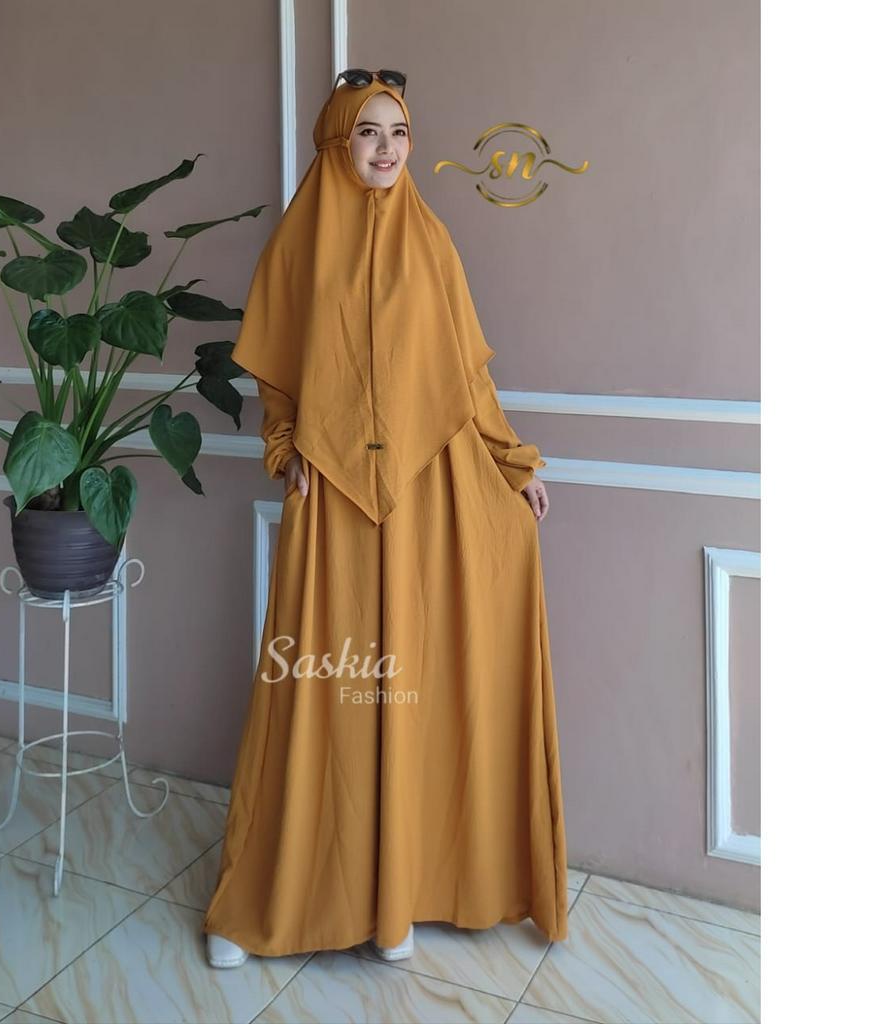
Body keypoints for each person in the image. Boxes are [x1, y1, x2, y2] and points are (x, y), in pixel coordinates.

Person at [203, 70, 568, 968]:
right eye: (368, 131)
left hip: (428, 493)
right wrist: (284, 449)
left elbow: (466, 378)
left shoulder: (431, 241)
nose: (387, 148)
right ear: (338, 141)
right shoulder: (298, 246)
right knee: (319, 693)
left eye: (398, 131)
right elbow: (279, 374)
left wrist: (513, 464)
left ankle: (396, 902)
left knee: (410, 689)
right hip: (332, 495)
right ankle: (269, 903)